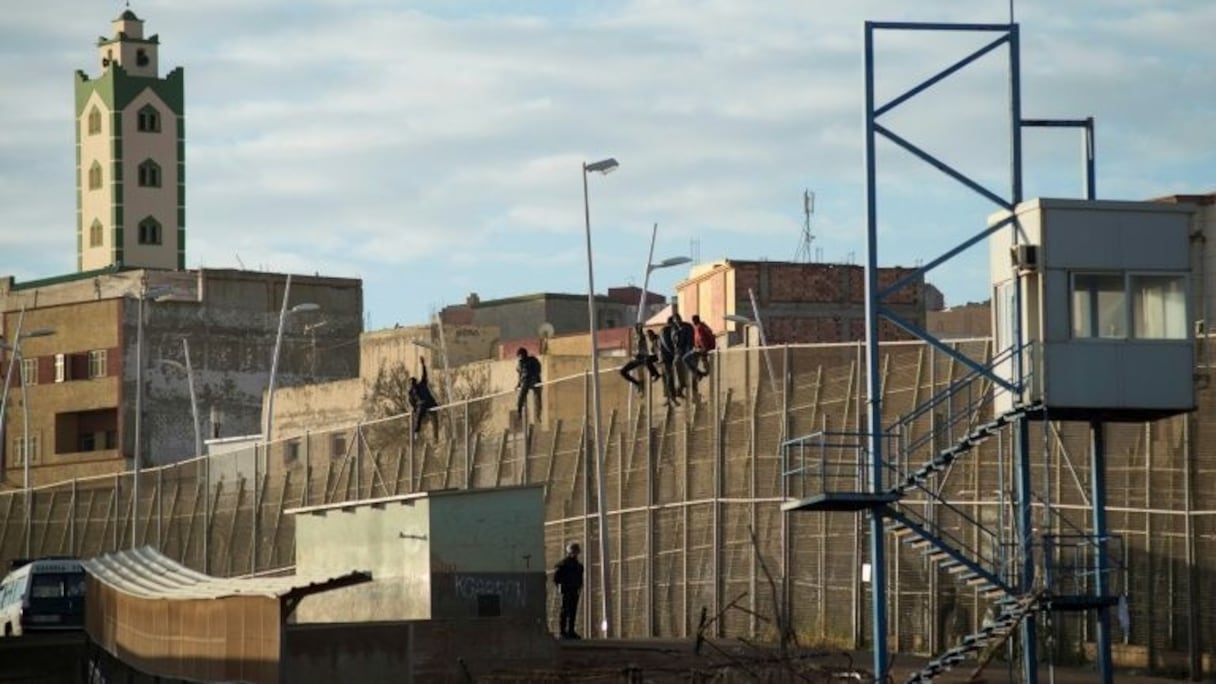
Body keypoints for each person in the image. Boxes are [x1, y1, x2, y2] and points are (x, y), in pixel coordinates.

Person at [553, 541, 584, 639]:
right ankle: (563, 631)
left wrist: (579, 587)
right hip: (566, 590)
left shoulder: (578, 566)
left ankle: (571, 630)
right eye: (573, 551)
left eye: (576, 552)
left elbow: (579, 578)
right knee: (565, 611)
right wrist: (560, 587)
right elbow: (556, 578)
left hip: (574, 590)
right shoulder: (563, 565)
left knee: (573, 611)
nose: (575, 554)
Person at [618, 324, 661, 394]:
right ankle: (638, 384)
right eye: (636, 329)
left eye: (638, 329)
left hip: (641, 358)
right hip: (637, 359)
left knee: (624, 371)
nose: (636, 331)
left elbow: (645, 351)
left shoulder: (643, 338)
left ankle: (640, 384)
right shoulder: (637, 338)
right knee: (622, 371)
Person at [407, 356, 439, 439]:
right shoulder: (411, 392)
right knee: (420, 413)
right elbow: (412, 402)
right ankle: (417, 432)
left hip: (429, 403)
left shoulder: (421, 384)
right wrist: (415, 409)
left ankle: (435, 437)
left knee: (433, 419)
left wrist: (423, 365)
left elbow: (424, 375)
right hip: (423, 406)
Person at [657, 317, 682, 406]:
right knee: (669, 377)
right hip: (665, 358)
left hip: (666, 358)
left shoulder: (669, 330)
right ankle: (672, 398)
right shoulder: (665, 330)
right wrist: (673, 353)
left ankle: (669, 397)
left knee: (667, 378)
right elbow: (666, 344)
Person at [516, 347, 543, 422]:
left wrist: (533, 379)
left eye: (520, 356)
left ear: (524, 355)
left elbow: (538, 370)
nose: (520, 358)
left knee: (538, 398)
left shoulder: (532, 361)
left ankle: (538, 415)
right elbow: (520, 375)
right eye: (519, 356)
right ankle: (519, 412)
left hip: (534, 380)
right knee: (521, 396)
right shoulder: (520, 363)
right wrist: (518, 384)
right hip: (526, 382)